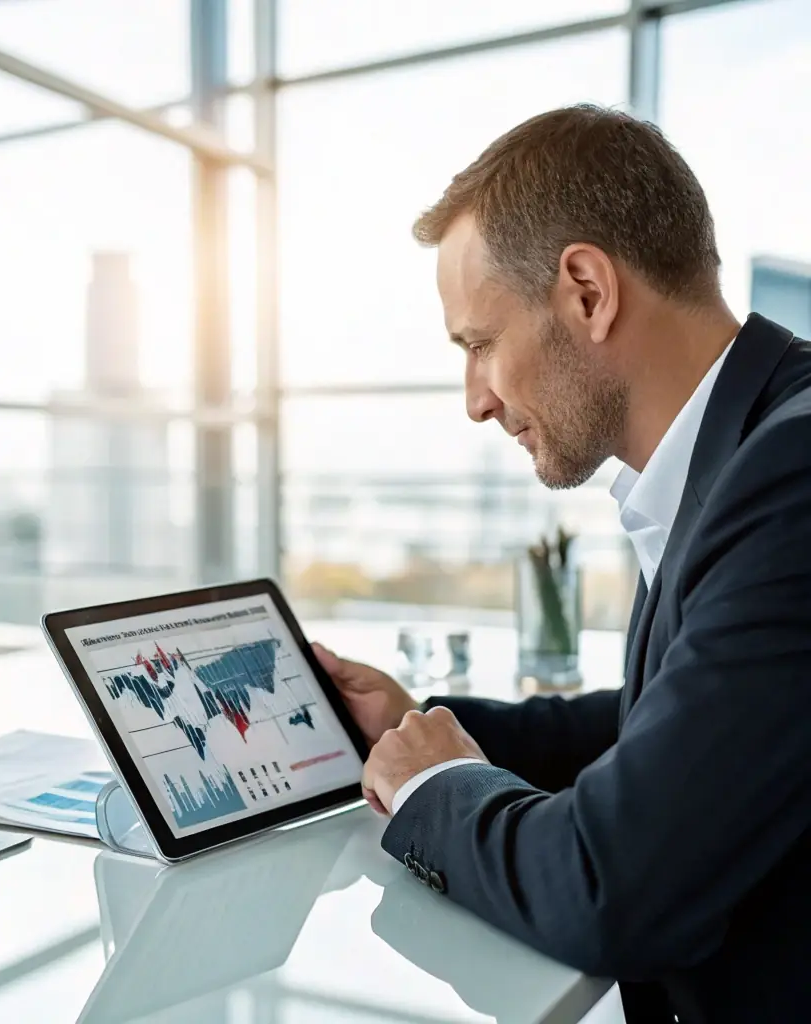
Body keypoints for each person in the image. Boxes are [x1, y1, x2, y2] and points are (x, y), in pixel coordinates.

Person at [313, 104, 811, 1023]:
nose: (475, 399)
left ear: (587, 290)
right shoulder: (753, 447)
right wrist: (419, 724)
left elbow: (613, 889)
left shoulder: (793, 476)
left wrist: (433, 789)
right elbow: (667, 722)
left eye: (480, 344)